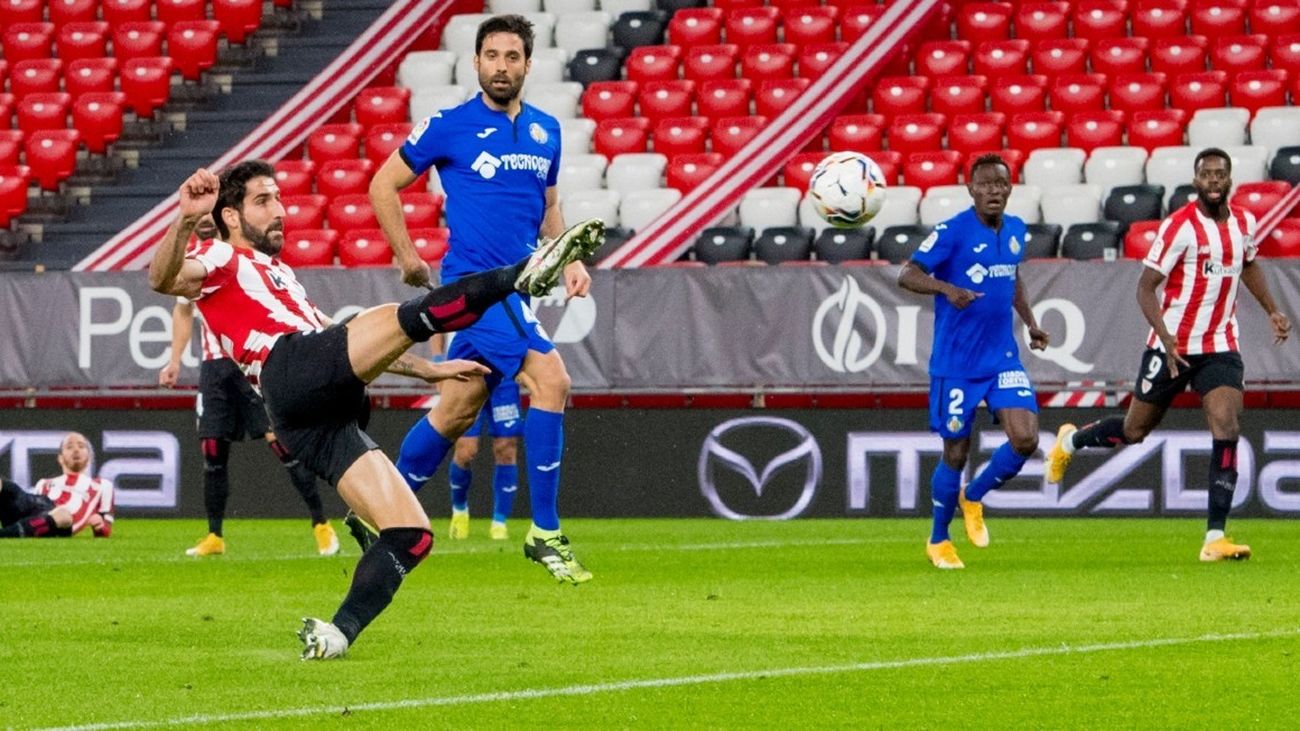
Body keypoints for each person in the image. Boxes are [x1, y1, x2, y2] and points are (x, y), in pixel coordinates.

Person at [147, 160, 602, 659]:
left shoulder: (280, 274)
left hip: (312, 417)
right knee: (393, 317)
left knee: (411, 534)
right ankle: (523, 274)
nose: (278, 211)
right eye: (263, 201)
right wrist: (187, 218)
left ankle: (337, 633)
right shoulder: (215, 257)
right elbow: (163, 279)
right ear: (230, 217)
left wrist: (430, 372)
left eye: (278, 199)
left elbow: (345, 337)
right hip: (289, 368)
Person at [370, 14, 594, 584]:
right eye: (491, 55)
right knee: (553, 380)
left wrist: (569, 259)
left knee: (458, 405)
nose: (501, 66)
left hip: (517, 290)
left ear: (526, 64)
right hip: (474, 286)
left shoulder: (547, 131)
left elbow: (549, 208)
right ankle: (544, 531)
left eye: (512, 56)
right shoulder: (449, 125)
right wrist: (406, 254)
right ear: (475, 63)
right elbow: (383, 184)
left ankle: (376, 510)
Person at [1046, 147, 1292, 562]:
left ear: (1229, 180)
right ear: (1195, 181)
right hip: (1171, 345)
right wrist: (1167, 337)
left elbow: (1248, 264)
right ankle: (1070, 440)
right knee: (1134, 430)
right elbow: (1145, 286)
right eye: (1206, 175)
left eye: (1220, 174)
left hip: (1219, 345)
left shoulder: (1244, 223)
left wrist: (1272, 310)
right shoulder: (1179, 227)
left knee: (1227, 427)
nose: (1213, 181)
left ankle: (1215, 537)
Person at [897, 153, 1050, 570]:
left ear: (1010, 187)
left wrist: (1031, 323)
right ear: (971, 189)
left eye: (1000, 184)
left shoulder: (1016, 231)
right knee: (955, 453)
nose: (993, 191)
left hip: (1002, 358)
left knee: (1026, 439)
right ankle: (939, 540)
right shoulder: (952, 232)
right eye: (984, 185)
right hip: (957, 365)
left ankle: (974, 495)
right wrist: (946, 289)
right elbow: (907, 274)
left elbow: (1012, 277)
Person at [160, 213, 340, 557]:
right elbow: (183, 310)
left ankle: (321, 523)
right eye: (195, 217)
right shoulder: (195, 262)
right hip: (214, 368)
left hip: (249, 363)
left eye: (206, 215)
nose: (201, 222)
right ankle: (214, 536)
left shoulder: (238, 257)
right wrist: (174, 359)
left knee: (282, 444)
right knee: (212, 450)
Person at [0, 432, 114, 539]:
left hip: (62, 522)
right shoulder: (44, 483)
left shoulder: (103, 485)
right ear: (60, 458)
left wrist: (99, 526)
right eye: (69, 447)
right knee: (8, 488)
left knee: (63, 515)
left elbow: (106, 530)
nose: (76, 450)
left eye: (81, 446)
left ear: (89, 456)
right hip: (38, 511)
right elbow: (27, 509)